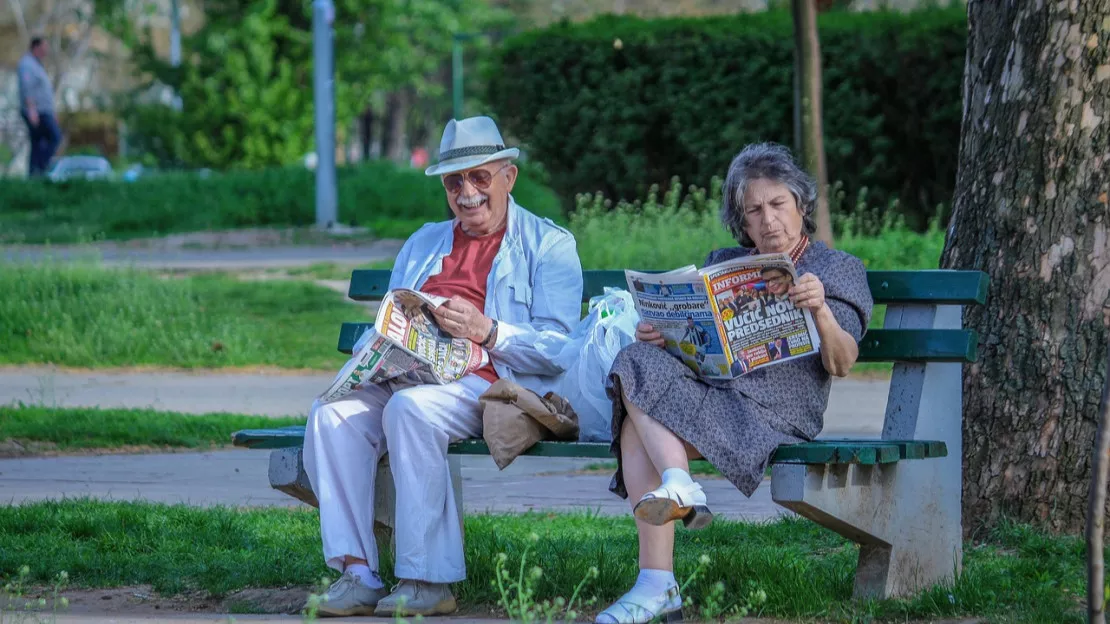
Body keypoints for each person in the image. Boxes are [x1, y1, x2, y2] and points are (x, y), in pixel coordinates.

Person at [302, 116, 584, 618]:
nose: (468, 192)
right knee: (331, 415)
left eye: (480, 177)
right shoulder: (423, 242)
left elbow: (560, 349)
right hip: (411, 375)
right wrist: (378, 352)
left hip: (491, 384)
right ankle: (358, 573)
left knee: (412, 410)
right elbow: (391, 316)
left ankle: (428, 581)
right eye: (455, 181)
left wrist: (488, 330)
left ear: (508, 178)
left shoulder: (549, 245)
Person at [596, 143, 873, 623]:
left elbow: (843, 361)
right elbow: (697, 346)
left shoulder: (834, 269)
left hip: (776, 417)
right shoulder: (725, 262)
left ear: (800, 206)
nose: (768, 220)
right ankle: (677, 498)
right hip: (716, 397)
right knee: (635, 360)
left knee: (634, 427)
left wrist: (821, 310)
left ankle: (657, 581)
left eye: (777, 204)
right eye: (754, 211)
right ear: (742, 222)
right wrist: (664, 337)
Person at [18, 37, 61, 177]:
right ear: (35, 47)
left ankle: (33, 175)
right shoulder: (27, 64)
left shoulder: (37, 65)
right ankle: (41, 167)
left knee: (37, 143)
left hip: (45, 111)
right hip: (37, 112)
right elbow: (27, 88)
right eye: (44, 48)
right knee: (55, 136)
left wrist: (53, 112)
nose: (46, 51)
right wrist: (32, 110)